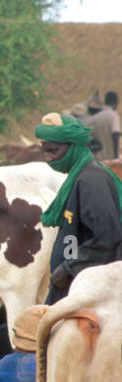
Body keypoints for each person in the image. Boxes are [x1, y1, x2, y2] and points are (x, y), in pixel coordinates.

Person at [36, 112, 122, 305]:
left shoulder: (92, 181)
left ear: (72, 146)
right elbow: (75, 234)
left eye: (53, 151)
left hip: (91, 291)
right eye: (45, 152)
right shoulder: (78, 177)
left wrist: (69, 268)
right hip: (72, 286)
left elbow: (107, 237)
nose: (48, 158)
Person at [83, 93, 120, 161]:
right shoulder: (113, 115)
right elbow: (115, 135)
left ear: (105, 102)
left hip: (95, 161)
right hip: (110, 162)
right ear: (116, 102)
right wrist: (116, 157)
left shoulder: (93, 118)